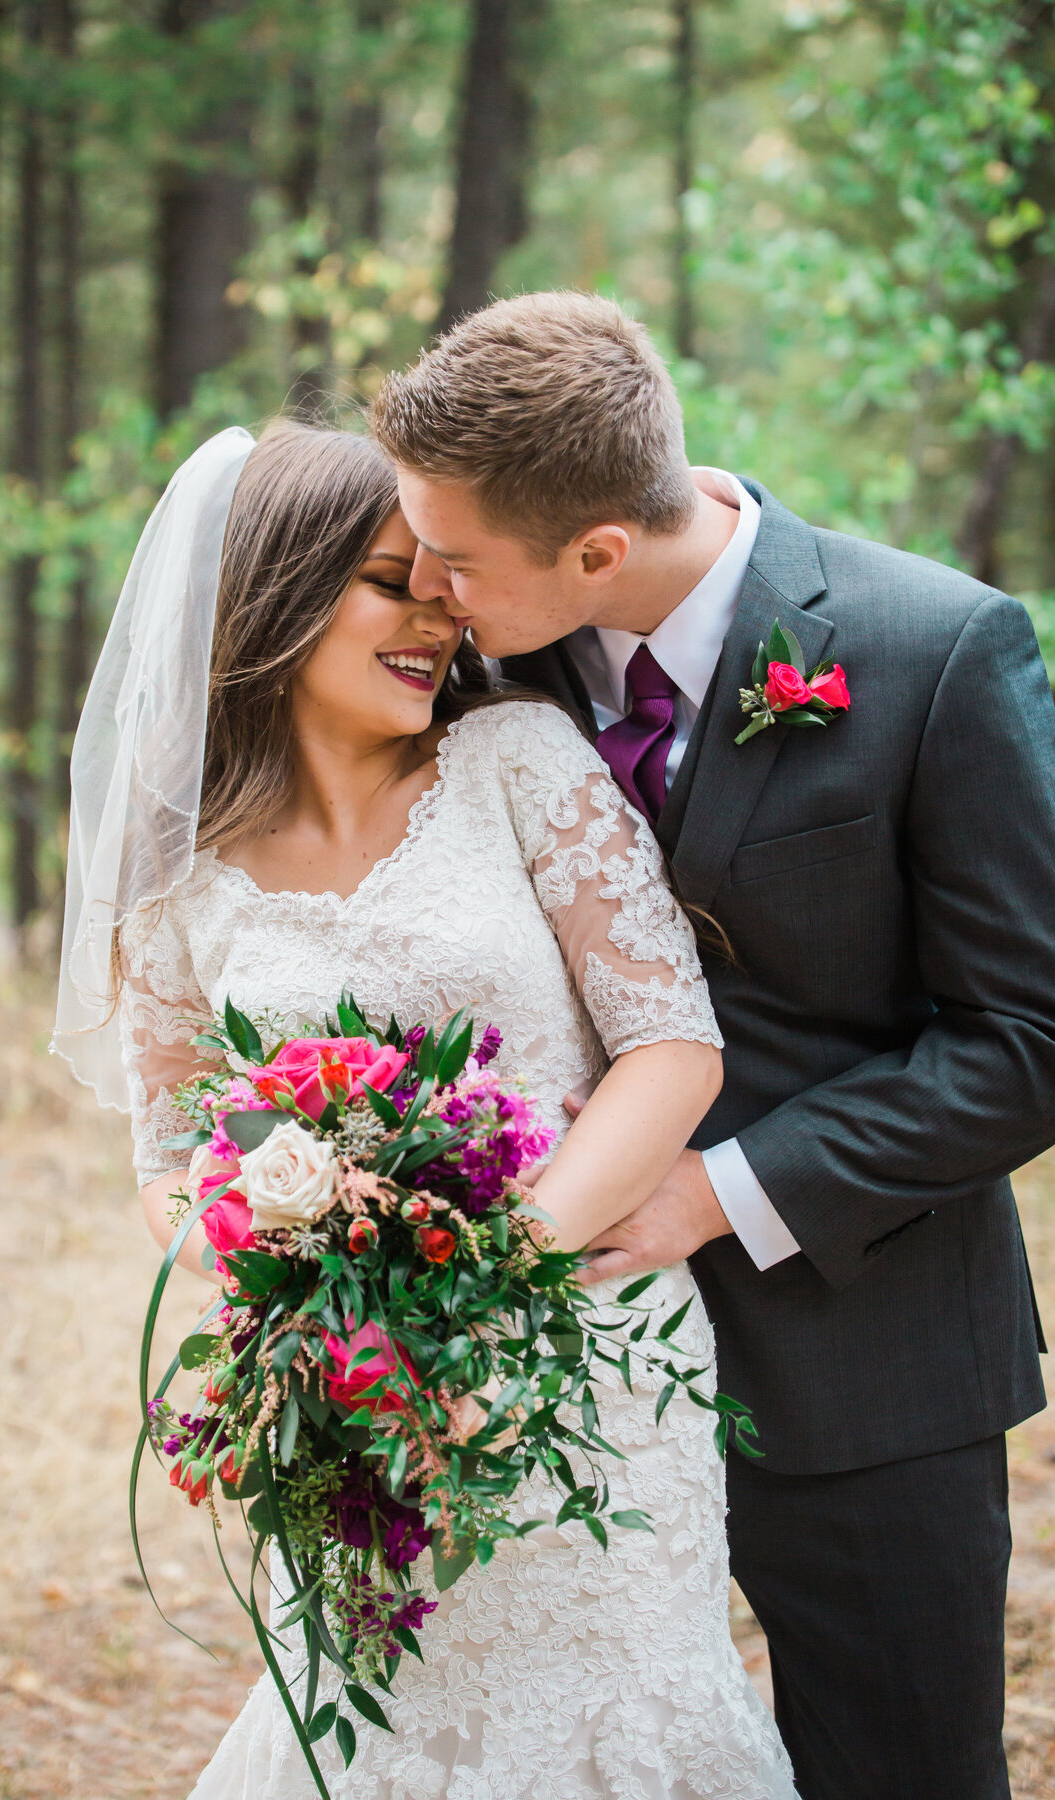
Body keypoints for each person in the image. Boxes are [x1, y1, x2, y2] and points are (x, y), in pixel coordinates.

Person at [369, 288, 1055, 1800]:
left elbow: (1027, 1040)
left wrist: (715, 1191)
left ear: (597, 552)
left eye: (457, 555)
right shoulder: (489, 662)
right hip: (559, 1379)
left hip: (871, 1364)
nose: (427, 584)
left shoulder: (937, 648)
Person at [53, 420, 796, 1799]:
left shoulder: (520, 760)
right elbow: (169, 1150)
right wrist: (289, 1280)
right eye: (393, 582)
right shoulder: (180, 876)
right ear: (274, 599)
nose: (440, 620)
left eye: (443, 583)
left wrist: (489, 1277)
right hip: (355, 1403)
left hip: (591, 1367)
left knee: (625, 1723)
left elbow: (672, 1052)